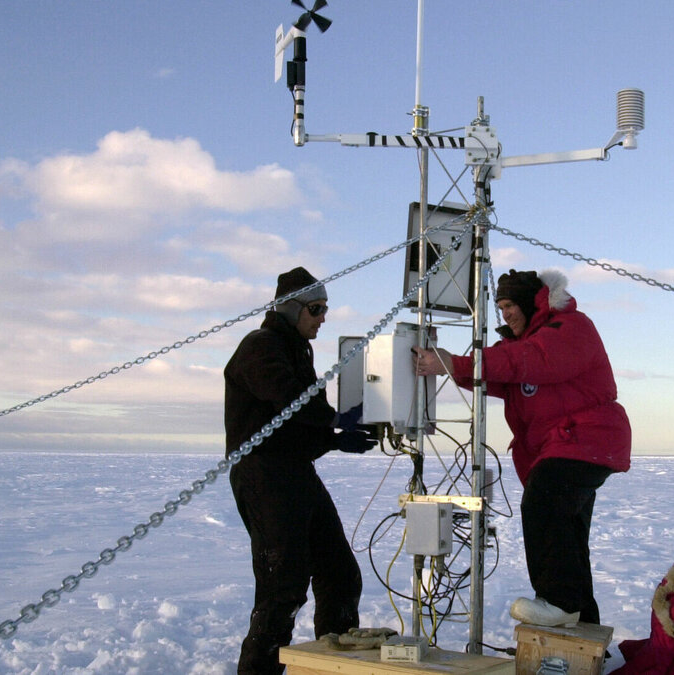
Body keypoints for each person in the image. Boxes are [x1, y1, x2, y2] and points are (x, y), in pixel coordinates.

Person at [413, 269, 631, 628]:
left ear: (533, 303)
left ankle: (559, 602)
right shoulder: (524, 344)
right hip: (570, 443)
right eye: (499, 307)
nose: (505, 314)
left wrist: (455, 363)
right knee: (569, 532)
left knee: (543, 502)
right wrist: (451, 367)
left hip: (585, 439)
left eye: (510, 305)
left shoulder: (569, 328)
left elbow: (530, 361)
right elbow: (503, 373)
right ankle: (582, 624)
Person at [225, 266, 376, 675]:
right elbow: (289, 399)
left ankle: (333, 667)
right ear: (292, 310)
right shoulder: (261, 346)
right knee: (282, 588)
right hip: (263, 475)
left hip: (295, 472)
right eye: (315, 308)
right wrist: (335, 421)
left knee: (340, 575)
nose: (322, 317)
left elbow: (301, 422)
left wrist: (333, 436)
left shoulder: (297, 349)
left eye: (325, 308)